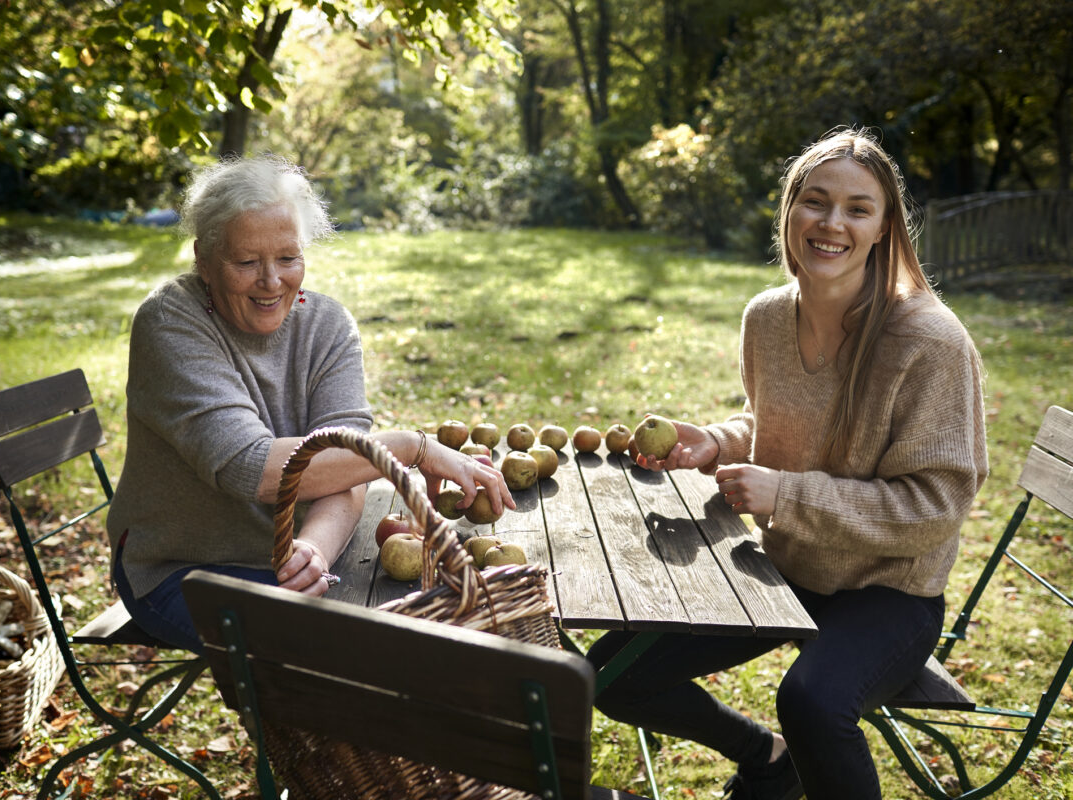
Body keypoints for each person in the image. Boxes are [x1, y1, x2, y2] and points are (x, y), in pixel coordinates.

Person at [588, 127, 988, 800]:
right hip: (792, 569)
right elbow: (774, 422)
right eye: (816, 201)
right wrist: (717, 441)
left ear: (884, 226)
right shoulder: (768, 317)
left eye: (857, 208)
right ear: (790, 210)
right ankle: (768, 761)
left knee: (812, 701)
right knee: (613, 672)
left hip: (887, 592)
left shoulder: (930, 341)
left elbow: (933, 510)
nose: (832, 223)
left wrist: (788, 497)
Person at [106, 155, 514, 653]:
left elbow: (346, 473)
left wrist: (315, 550)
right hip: (182, 569)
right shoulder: (170, 322)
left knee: (437, 634)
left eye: (287, 257)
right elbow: (251, 468)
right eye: (246, 262)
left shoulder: (328, 327)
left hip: (296, 558)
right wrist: (409, 447)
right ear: (203, 261)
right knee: (354, 656)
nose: (271, 281)